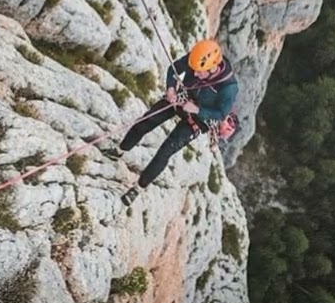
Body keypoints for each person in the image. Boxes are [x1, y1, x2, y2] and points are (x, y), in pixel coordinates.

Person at [101, 39, 238, 207]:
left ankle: (138, 188)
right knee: (145, 121)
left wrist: (197, 110)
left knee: (166, 150)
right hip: (181, 98)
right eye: (194, 70)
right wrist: (171, 88)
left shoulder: (228, 88)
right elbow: (174, 69)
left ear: (212, 68)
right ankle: (120, 150)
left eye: (200, 73)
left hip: (199, 119)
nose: (195, 74)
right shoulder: (198, 58)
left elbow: (220, 114)